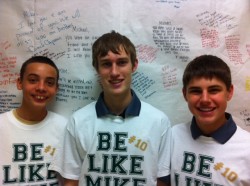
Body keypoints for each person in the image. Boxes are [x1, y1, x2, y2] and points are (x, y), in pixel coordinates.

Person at [49, 31, 171, 186]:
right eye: (106, 64)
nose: (114, 72)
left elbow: (162, 181)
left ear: (134, 65)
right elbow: (71, 181)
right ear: (97, 68)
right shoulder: (78, 121)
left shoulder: (159, 121)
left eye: (121, 62)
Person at [170, 55, 250, 185]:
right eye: (196, 91)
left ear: (229, 92)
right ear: (185, 94)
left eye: (214, 90)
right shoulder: (172, 137)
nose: (205, 99)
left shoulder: (247, 148)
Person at [0, 56, 67, 185]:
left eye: (49, 83)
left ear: (56, 89)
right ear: (20, 83)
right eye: (33, 80)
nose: (41, 87)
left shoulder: (64, 127)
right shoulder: (2, 126)